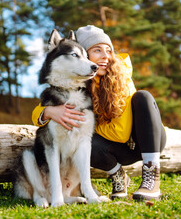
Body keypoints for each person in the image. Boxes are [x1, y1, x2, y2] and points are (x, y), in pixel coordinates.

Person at [32, 25, 166, 201]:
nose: (105, 56)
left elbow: (121, 133)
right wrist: (48, 111)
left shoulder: (121, 76)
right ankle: (118, 175)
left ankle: (151, 178)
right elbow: (38, 112)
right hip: (112, 148)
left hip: (143, 141)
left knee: (143, 97)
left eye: (109, 51)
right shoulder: (82, 83)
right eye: (97, 50)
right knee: (86, 141)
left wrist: (86, 127)